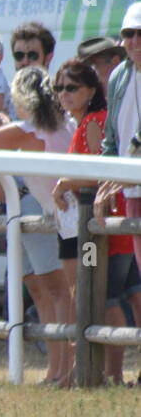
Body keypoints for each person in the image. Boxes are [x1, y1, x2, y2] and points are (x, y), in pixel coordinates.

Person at [0, 66, 75, 386]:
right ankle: (60, 370)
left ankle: (65, 371)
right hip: (65, 218)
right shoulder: (61, 124)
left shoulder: (28, 129)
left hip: (67, 220)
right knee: (62, 293)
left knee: (61, 294)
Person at [51, 58, 141, 384]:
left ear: (91, 89)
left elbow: (94, 173)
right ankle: (109, 371)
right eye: (59, 87)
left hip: (106, 227)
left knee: (104, 298)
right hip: (110, 222)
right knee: (128, 293)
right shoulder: (89, 120)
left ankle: (112, 373)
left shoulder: (93, 121)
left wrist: (63, 183)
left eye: (72, 87)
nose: (64, 93)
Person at [98, 2, 141, 263]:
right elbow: (110, 139)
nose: (135, 40)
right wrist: (106, 183)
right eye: (128, 33)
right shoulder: (119, 76)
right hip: (132, 192)